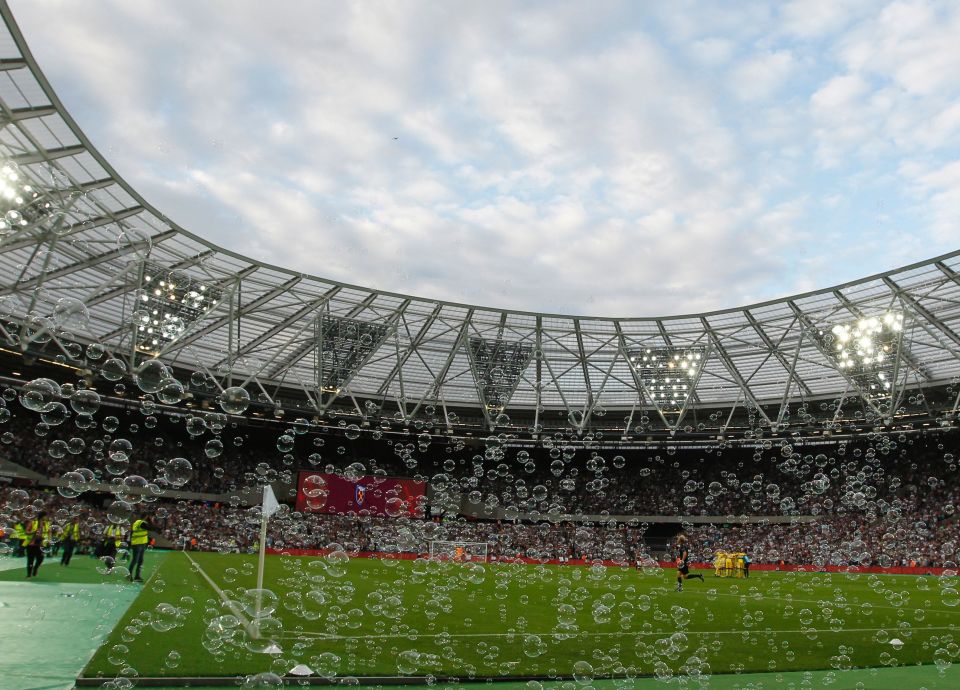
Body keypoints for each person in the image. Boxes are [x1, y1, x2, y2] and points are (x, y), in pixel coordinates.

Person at [128, 513, 154, 583]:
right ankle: (129, 575)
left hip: (140, 544)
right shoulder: (141, 523)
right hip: (138, 544)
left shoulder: (137, 522)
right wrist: (151, 520)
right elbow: (152, 528)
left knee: (140, 561)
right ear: (146, 517)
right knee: (135, 560)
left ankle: (137, 576)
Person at [23, 512, 51, 578]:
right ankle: (29, 574)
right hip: (31, 544)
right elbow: (26, 531)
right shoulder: (33, 522)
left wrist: (49, 540)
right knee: (30, 560)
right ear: (42, 516)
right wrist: (33, 532)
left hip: (41, 544)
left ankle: (35, 568)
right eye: (46, 516)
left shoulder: (47, 524)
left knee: (40, 559)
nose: (47, 517)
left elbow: (49, 532)